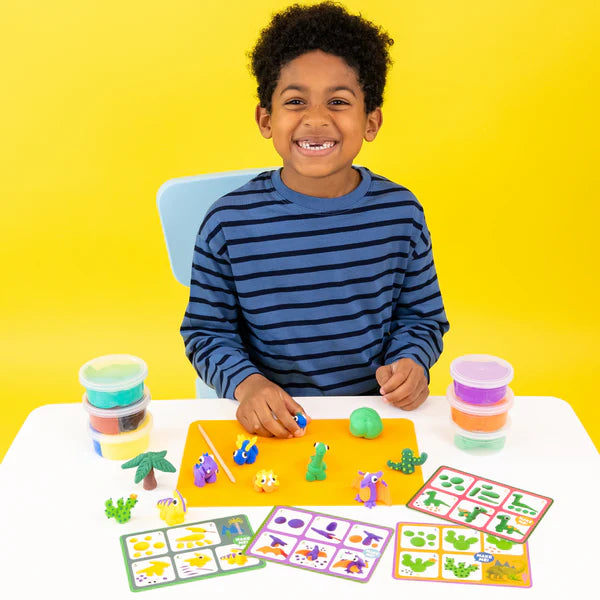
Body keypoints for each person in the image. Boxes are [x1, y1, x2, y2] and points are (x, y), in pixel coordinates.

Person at [181, 1, 449, 439]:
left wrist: (411, 363)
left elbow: (421, 318)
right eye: (295, 101)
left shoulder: (401, 213)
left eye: (338, 101)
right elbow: (207, 333)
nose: (317, 119)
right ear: (266, 119)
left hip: (374, 417)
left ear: (371, 121)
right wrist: (249, 385)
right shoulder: (227, 223)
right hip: (274, 424)